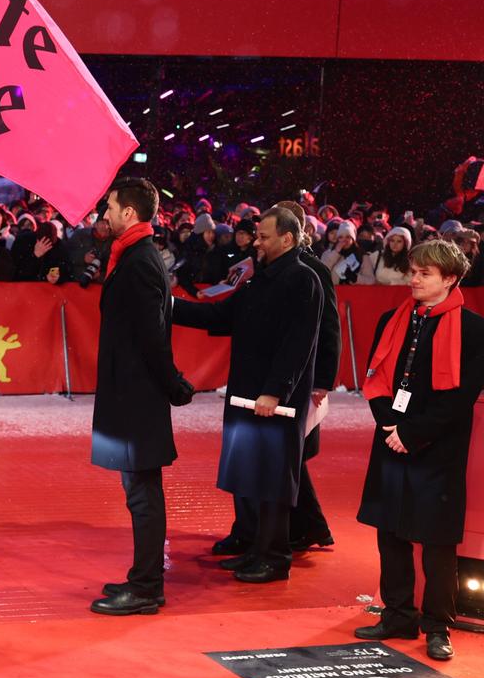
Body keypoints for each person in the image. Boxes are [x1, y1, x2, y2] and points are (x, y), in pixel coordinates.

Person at [173, 207, 322, 583]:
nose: (256, 242)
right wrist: (168, 304)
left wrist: (276, 392)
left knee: (273, 479)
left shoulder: (303, 280)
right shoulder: (261, 281)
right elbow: (220, 316)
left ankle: (275, 556)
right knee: (254, 475)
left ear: (287, 238)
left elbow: (298, 345)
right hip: (247, 395)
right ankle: (257, 548)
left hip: (274, 402)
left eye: (264, 236)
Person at [355, 239, 484, 661]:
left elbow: (461, 397)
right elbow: (374, 373)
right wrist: (386, 421)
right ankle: (397, 614)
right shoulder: (394, 318)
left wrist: (412, 434)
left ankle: (436, 625)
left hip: (437, 446)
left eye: (424, 273)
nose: (414, 279)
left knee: (437, 540)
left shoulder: (473, 329)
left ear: (449, 278)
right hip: (391, 435)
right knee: (390, 530)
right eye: (413, 271)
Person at [89, 178, 194, 616]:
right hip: (127, 396)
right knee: (139, 493)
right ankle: (143, 579)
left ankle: (148, 586)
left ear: (129, 213)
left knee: (143, 495)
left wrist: (174, 386)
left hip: (138, 399)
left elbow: (153, 337)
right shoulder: (131, 256)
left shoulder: (140, 261)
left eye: (110, 206)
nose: (105, 214)